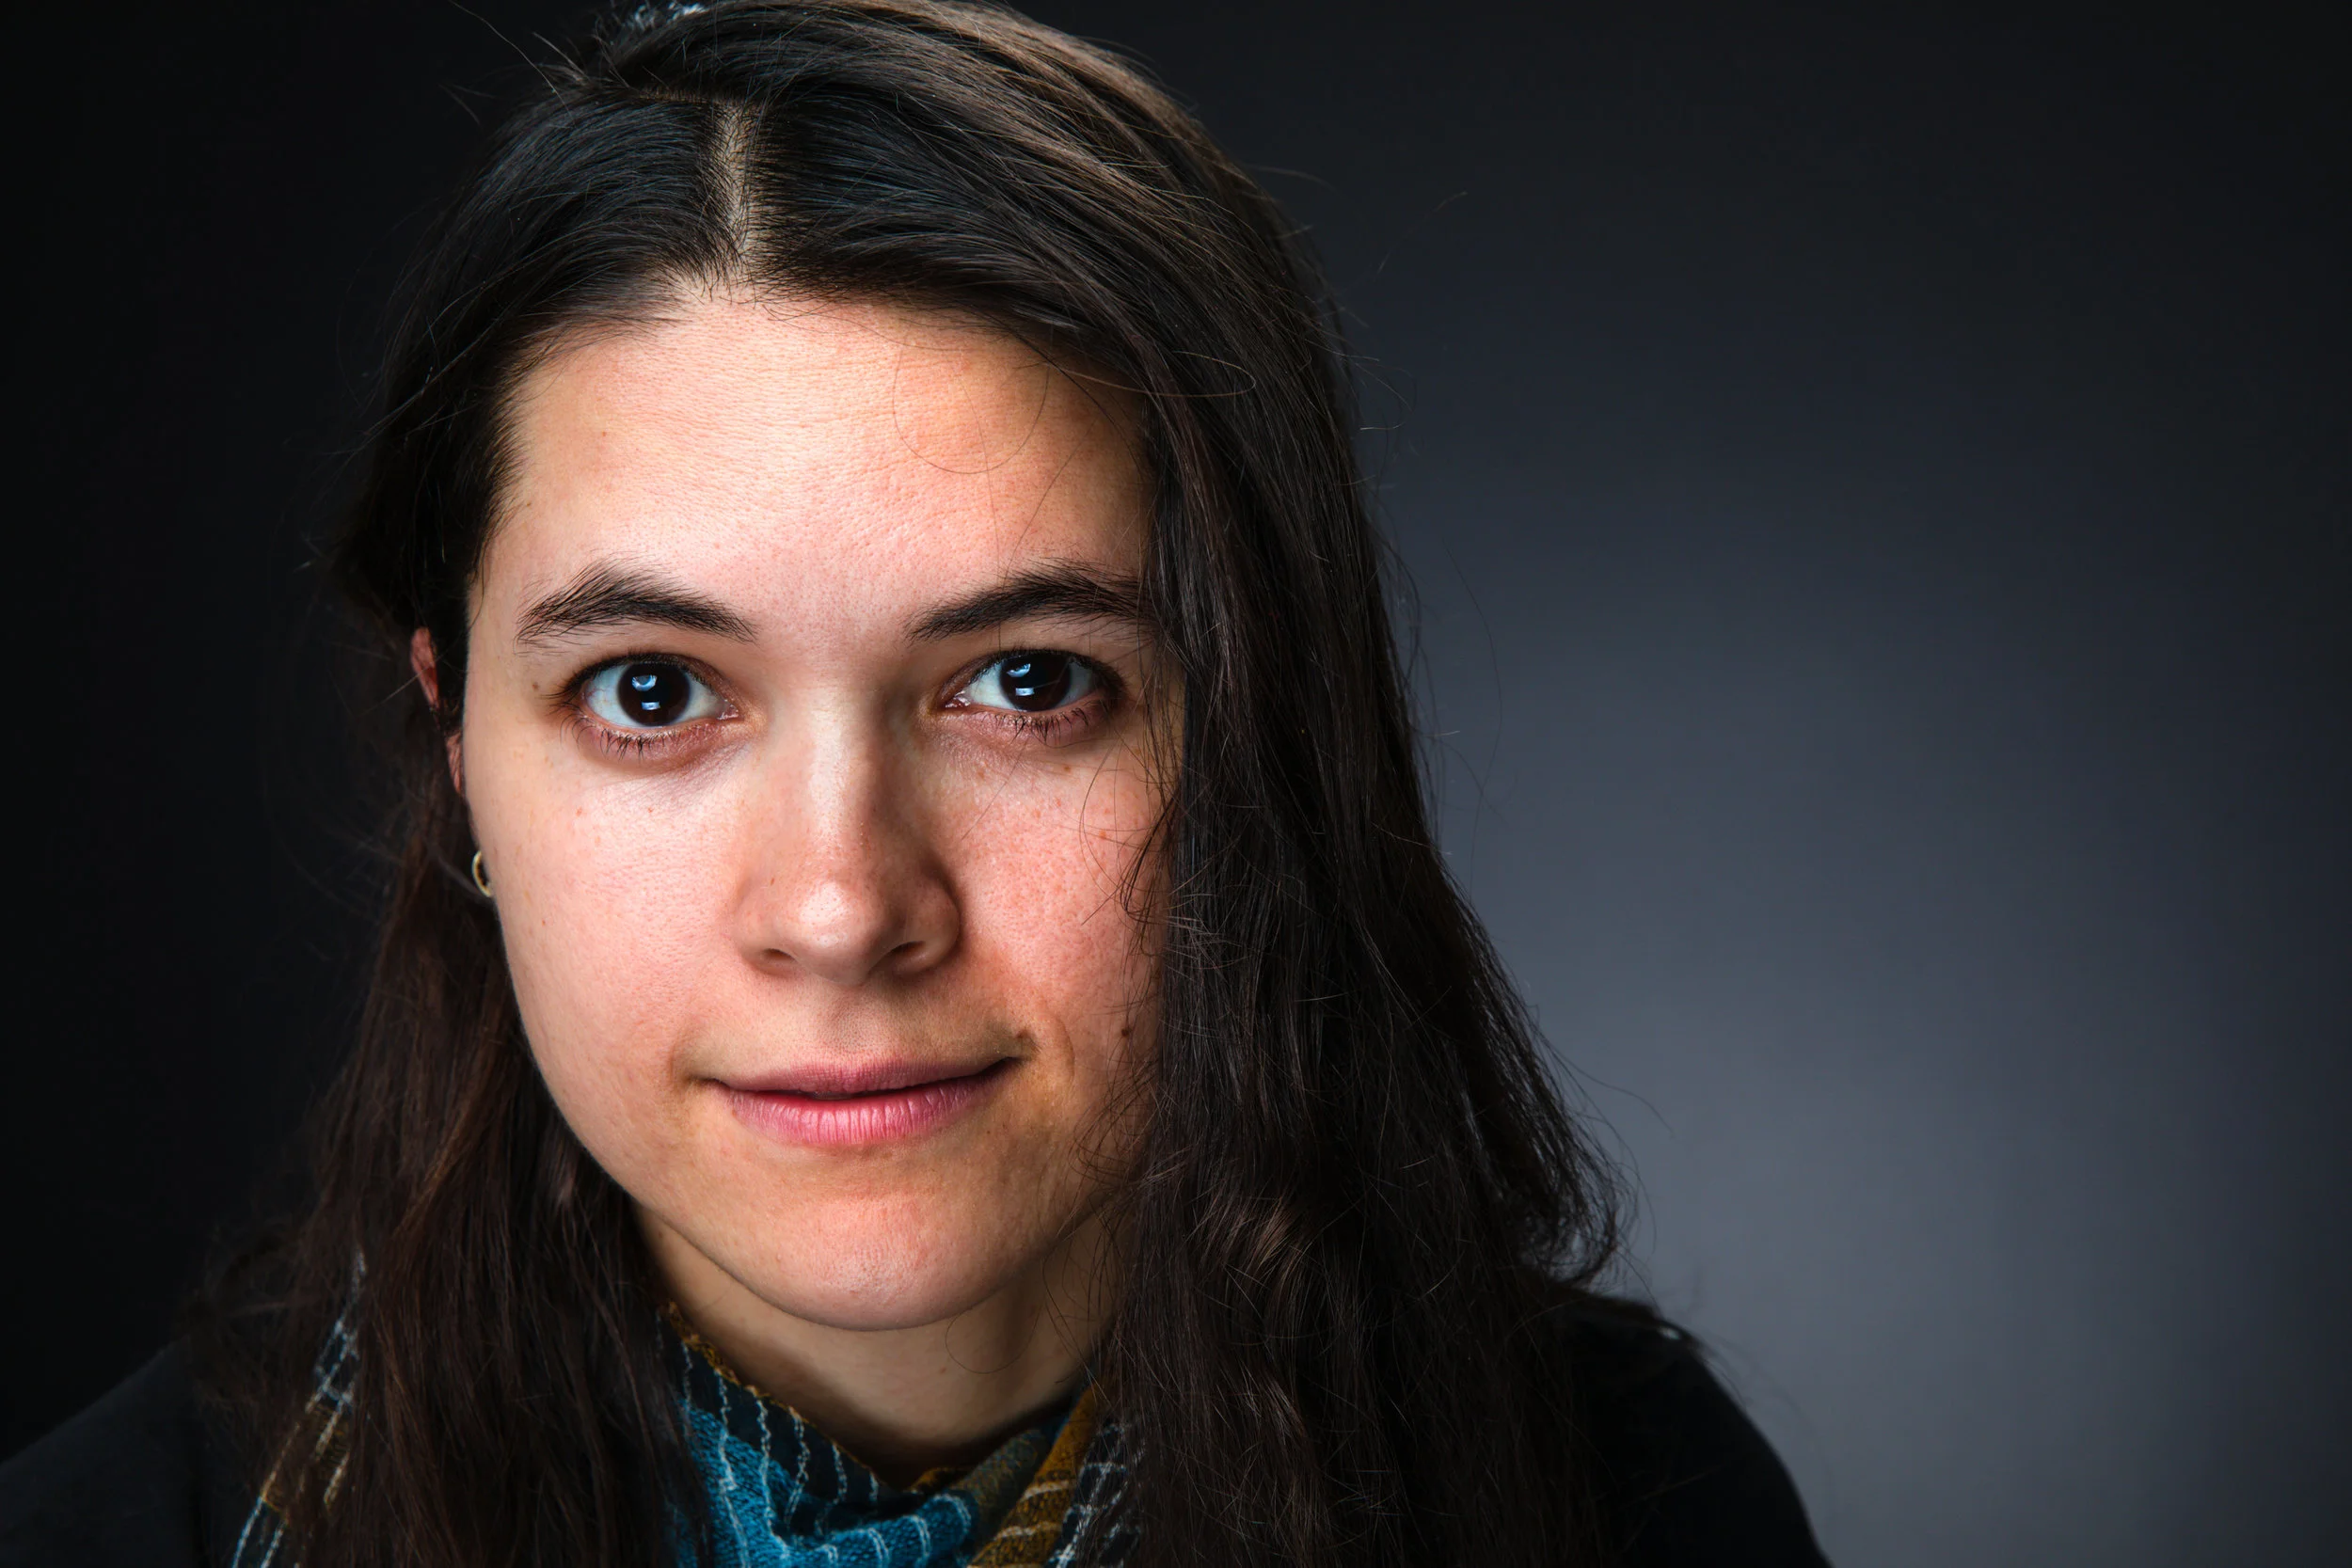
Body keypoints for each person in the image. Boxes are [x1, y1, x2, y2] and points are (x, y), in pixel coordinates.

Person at [0, 3, 1827, 1564]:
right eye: (652, 692)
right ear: (460, 748)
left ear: (1258, 732)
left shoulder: (1623, 1503)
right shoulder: (120, 1531)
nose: (840, 906)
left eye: (1030, 683)